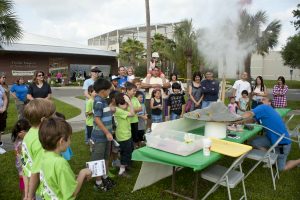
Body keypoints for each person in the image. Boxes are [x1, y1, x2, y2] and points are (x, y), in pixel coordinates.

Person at [39, 117, 92, 199]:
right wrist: (83, 173)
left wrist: (75, 177)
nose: (70, 141)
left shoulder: (44, 154)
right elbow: (72, 192)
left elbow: (55, 178)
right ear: (62, 141)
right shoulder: (60, 163)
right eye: (70, 138)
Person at [242, 97, 300, 171]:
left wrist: (235, 118)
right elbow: (252, 119)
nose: (260, 100)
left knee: (281, 168)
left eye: (263, 99)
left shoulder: (264, 107)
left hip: (282, 145)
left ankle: (298, 161)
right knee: (253, 142)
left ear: (269, 103)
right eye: (260, 99)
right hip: (271, 140)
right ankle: (270, 155)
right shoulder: (266, 111)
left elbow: (249, 113)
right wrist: (241, 121)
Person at [21, 98, 56, 199]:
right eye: (53, 115)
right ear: (44, 120)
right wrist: (30, 195)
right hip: (43, 190)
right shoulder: (41, 141)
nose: (55, 117)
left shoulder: (30, 132)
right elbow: (36, 172)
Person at [90, 78, 115, 191]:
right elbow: (97, 119)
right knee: (97, 159)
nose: (110, 91)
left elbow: (103, 113)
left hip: (106, 136)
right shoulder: (99, 101)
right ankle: (98, 182)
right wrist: (107, 132)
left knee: (105, 157)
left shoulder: (103, 100)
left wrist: (110, 109)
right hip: (100, 136)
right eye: (108, 90)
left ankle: (104, 176)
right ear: (103, 91)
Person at [114, 93, 135, 177]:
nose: (126, 105)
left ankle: (125, 165)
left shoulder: (121, 110)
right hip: (123, 136)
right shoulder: (119, 111)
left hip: (126, 135)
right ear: (118, 104)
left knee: (128, 151)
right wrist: (129, 102)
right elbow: (132, 113)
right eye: (124, 103)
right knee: (125, 153)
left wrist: (128, 102)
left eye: (126, 103)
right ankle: (122, 171)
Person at [11, 119, 31, 199]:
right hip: (24, 170)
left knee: (26, 188)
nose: (18, 134)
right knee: (25, 187)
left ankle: (25, 196)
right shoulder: (20, 143)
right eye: (17, 132)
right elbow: (19, 158)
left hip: (24, 170)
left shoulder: (20, 141)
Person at [125, 82, 142, 147]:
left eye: (135, 91)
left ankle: (134, 147)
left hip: (134, 120)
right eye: (133, 91)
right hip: (127, 121)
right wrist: (134, 110)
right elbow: (123, 109)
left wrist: (132, 110)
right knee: (128, 136)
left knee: (135, 135)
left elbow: (140, 108)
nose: (135, 92)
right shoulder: (124, 98)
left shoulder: (135, 98)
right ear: (128, 90)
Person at [0, 81, 8, 147]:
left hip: (2, 110)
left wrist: (4, 107)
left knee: (0, 128)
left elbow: (5, 98)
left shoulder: (0, 87)